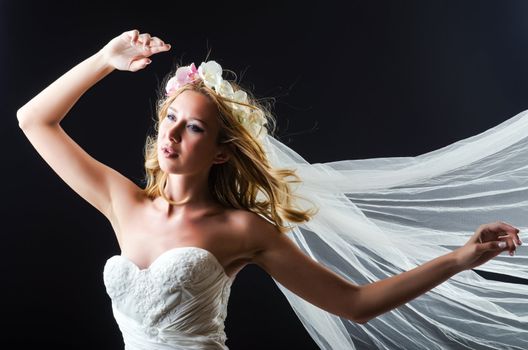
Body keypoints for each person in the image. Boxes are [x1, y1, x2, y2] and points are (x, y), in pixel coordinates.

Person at [16, 29, 527, 350]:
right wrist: (106, 59)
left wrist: (459, 258)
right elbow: (34, 120)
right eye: (170, 118)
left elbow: (354, 303)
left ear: (220, 151)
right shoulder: (122, 202)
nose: (170, 134)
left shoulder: (242, 228)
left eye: (192, 127)